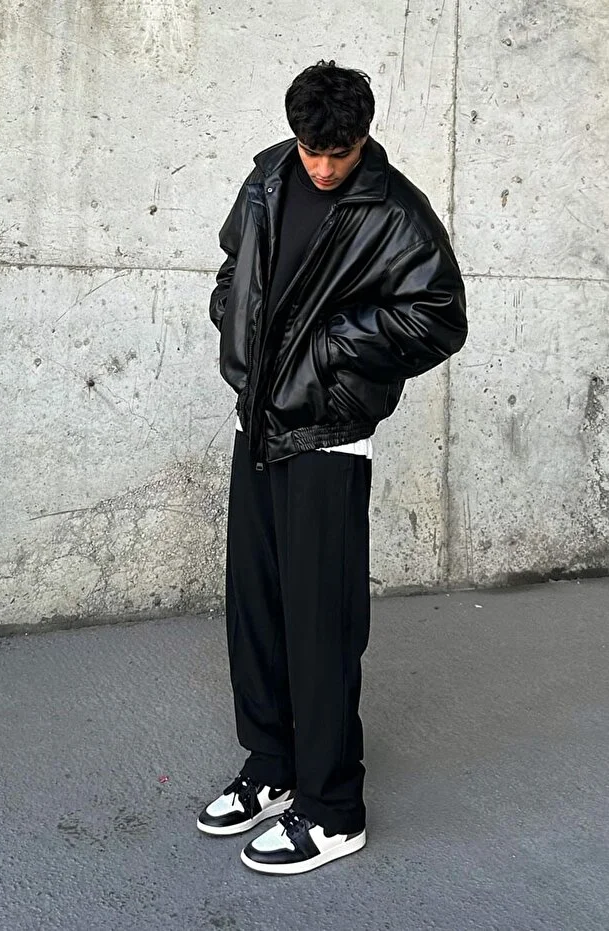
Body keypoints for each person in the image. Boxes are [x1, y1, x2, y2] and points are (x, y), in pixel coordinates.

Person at [198, 60, 467, 875]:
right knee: (255, 609)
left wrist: (324, 351)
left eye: (337, 152)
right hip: (257, 421)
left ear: (362, 138)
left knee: (320, 625)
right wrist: (236, 323)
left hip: (326, 434)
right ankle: (271, 766)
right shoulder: (266, 178)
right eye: (311, 149)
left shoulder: (395, 210)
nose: (321, 166)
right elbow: (233, 267)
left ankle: (331, 808)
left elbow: (438, 316)